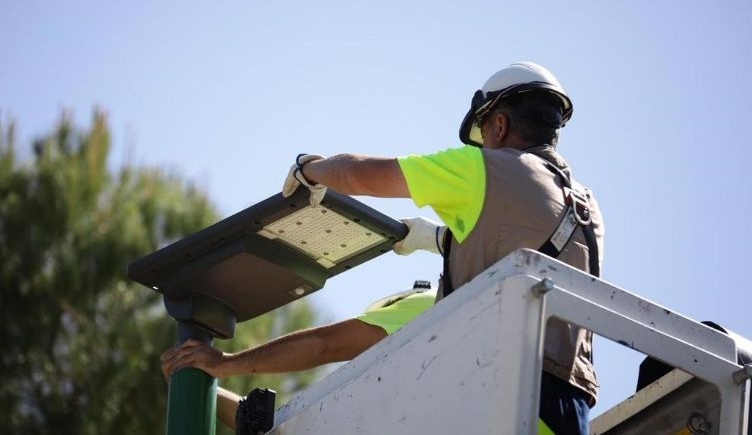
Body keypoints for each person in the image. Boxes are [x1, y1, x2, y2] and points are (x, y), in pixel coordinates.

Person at [279, 61, 604, 435]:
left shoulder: (483, 168)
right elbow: (515, 249)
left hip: (498, 395)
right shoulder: (585, 206)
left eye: (484, 132)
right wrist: (435, 237)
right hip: (566, 410)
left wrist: (310, 169)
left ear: (499, 125)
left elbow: (359, 173)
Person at [161, 285, 436, 430]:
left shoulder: (426, 304)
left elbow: (324, 345)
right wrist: (196, 385)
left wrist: (224, 364)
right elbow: (268, 428)